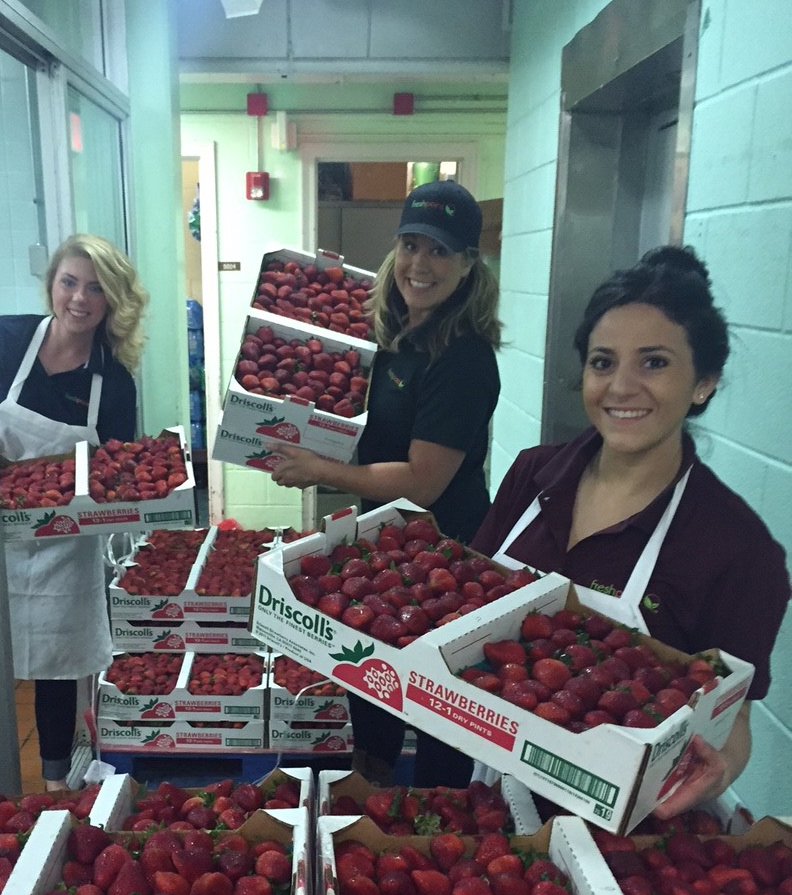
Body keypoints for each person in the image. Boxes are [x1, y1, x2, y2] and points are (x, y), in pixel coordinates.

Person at [472, 245, 790, 817]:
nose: (621, 387)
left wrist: (719, 766)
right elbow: (464, 611)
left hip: (619, 831)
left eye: (654, 362)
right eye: (602, 362)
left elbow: (732, 714)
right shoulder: (531, 475)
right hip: (482, 786)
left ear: (704, 382)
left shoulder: (737, 549)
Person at [271, 181, 501, 787]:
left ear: (469, 264)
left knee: (436, 701)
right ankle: (368, 795)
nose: (419, 264)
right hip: (386, 543)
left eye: (440, 251)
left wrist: (319, 471)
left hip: (446, 553)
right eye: (410, 244)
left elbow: (422, 482)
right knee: (369, 679)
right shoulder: (390, 335)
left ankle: (436, 824)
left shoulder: (464, 358)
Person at [0, 234, 148, 789]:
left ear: (113, 301)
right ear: (52, 284)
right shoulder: (1, 340)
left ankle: (55, 781)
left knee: (57, 665)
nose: (79, 298)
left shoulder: (114, 384)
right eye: (69, 282)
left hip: (65, 545)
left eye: (96, 288)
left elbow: (118, 478)